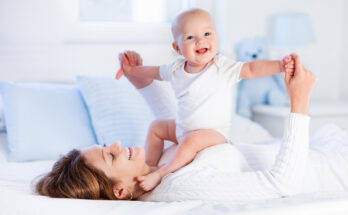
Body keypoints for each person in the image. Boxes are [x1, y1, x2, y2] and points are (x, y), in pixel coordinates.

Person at [36, 52, 346, 204]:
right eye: (111, 156)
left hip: (324, 151)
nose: (117, 145)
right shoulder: (179, 188)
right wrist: (299, 102)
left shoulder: (155, 172)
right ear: (120, 191)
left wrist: (142, 82)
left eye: (107, 146)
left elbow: (181, 124)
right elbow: (283, 185)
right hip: (334, 170)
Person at [115, 8, 296, 191]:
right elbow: (152, 72)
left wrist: (280, 66)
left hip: (213, 134)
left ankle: (160, 173)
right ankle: (149, 165)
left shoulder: (222, 67)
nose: (201, 40)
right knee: (157, 127)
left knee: (190, 142)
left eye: (207, 33)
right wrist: (132, 71)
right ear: (177, 47)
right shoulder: (175, 69)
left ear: (216, 37)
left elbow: (251, 69)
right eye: (190, 38)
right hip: (182, 128)